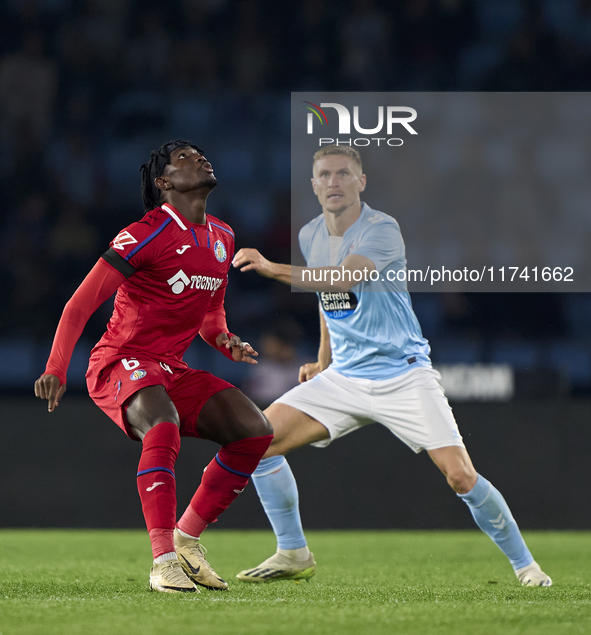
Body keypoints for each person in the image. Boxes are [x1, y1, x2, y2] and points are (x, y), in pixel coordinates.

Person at [232, 145, 552, 588]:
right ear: (313, 185)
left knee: (460, 475)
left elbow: (342, 278)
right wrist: (325, 361)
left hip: (403, 375)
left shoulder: (381, 230)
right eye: (324, 175)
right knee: (256, 442)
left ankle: (527, 567)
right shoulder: (310, 234)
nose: (334, 182)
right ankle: (293, 552)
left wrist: (270, 267)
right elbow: (330, 299)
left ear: (361, 182)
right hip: (345, 377)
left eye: (344, 174)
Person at [35, 140, 273, 594]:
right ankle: (162, 560)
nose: (200, 157)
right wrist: (55, 367)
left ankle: (186, 538)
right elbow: (79, 305)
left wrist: (225, 340)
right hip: (118, 361)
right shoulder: (146, 232)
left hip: (170, 368)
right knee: (161, 424)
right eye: (184, 156)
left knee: (254, 430)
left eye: (201, 153)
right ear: (164, 183)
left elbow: (210, 315)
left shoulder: (222, 237)